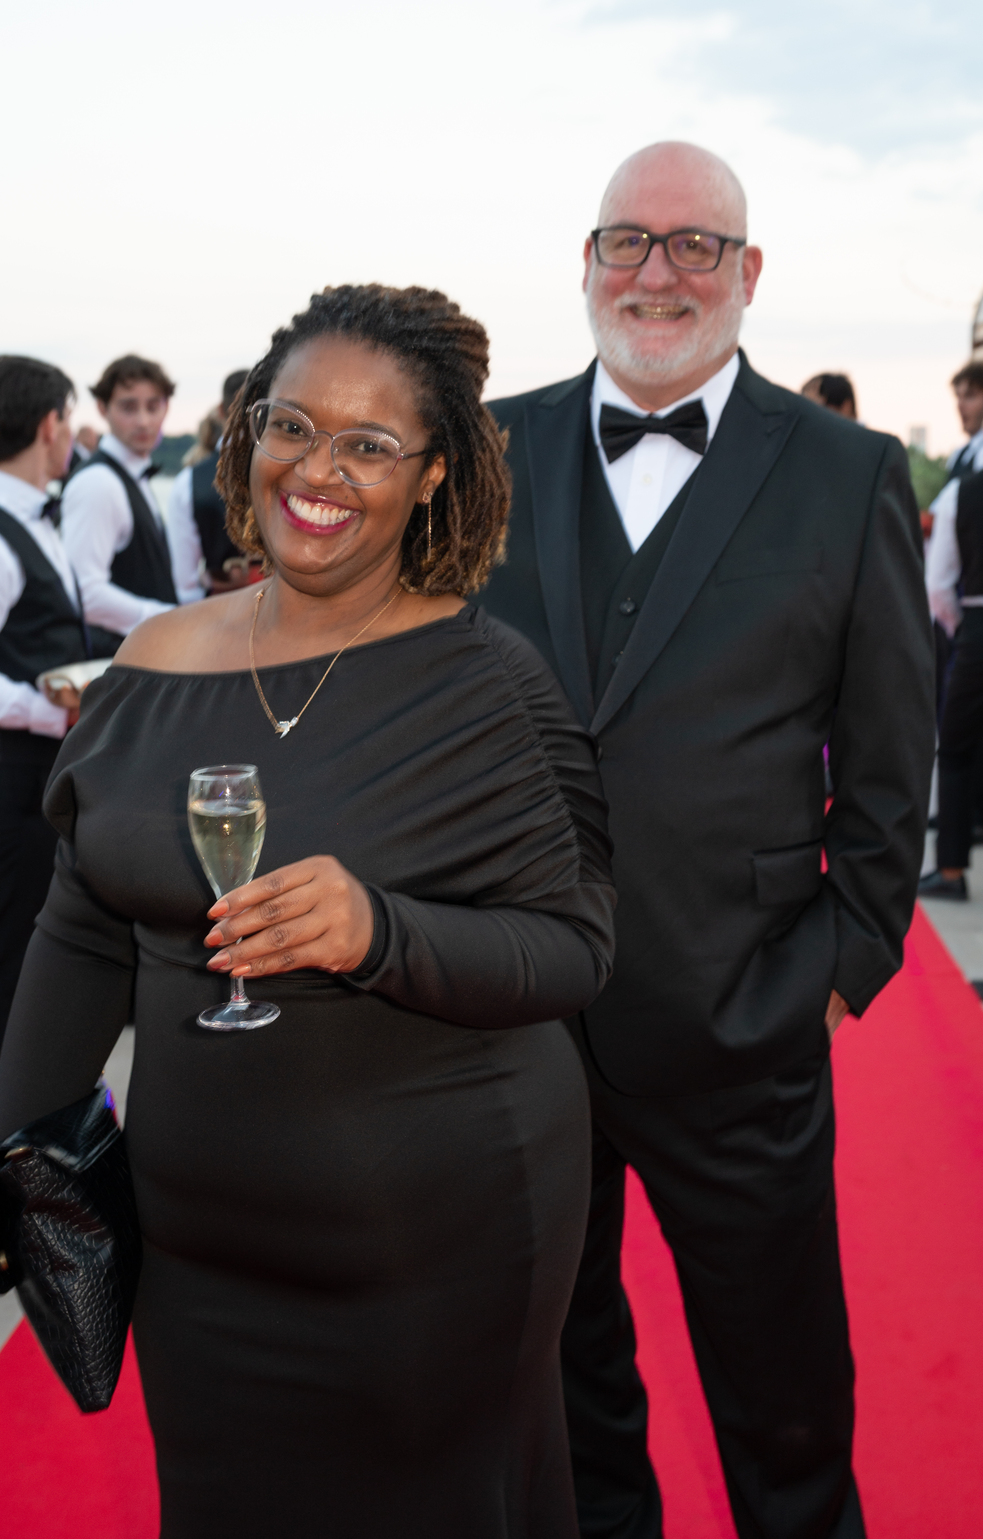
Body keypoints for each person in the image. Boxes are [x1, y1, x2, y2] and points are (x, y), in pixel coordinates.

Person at [0, 283, 616, 1539]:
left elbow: (575, 946)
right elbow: (83, 924)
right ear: (247, 435)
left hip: (436, 1241)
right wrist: (16, 1151)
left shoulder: (488, 684)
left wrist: (380, 932)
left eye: (368, 444)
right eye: (291, 426)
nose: (317, 469)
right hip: (198, 1249)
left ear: (433, 476)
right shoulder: (153, 661)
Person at [480, 141, 934, 1539]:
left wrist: (841, 965)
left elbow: (890, 754)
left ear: (748, 271)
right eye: (628, 239)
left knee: (784, 1399)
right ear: (586, 261)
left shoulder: (847, 472)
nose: (657, 273)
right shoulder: (484, 449)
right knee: (560, 1394)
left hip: (745, 1018)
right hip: (514, 1022)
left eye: (694, 244)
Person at [0, 356, 93, 1048]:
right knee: (13, 952)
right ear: (48, 425)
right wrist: (51, 710)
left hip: (40, 773)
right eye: (68, 417)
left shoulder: (37, 515)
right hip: (12, 777)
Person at [919, 385, 983, 907]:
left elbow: (938, 583)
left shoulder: (964, 490)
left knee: (956, 748)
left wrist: (963, 626)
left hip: (981, 623)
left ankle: (952, 870)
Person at [62, 354, 178, 643]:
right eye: (129, 407)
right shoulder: (98, 483)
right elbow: (85, 592)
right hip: (119, 656)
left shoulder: (130, 474)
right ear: (103, 408)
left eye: (153, 406)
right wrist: (170, 619)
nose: (143, 421)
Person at [166, 368, 256, 600]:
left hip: (220, 609)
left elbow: (186, 586)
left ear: (220, 411)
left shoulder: (188, 482)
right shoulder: (294, 469)